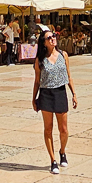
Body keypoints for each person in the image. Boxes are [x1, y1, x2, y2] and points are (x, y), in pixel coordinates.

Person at [32, 29, 76, 174]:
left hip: (60, 92)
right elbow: (37, 81)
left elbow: (68, 76)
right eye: (49, 38)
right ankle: (53, 160)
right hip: (46, 94)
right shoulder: (40, 60)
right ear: (44, 42)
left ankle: (62, 151)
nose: (53, 39)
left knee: (63, 129)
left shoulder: (63, 55)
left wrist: (74, 94)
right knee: (48, 129)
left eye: (54, 36)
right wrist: (34, 98)